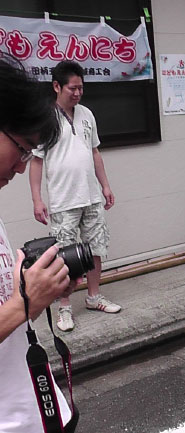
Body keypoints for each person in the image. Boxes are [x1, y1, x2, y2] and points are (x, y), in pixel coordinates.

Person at [0, 54, 77, 432]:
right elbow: (15, 308)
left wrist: (33, 288)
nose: (21, 166)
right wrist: (24, 303)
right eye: (23, 148)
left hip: (29, 407)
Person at [29, 60, 120, 332]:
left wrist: (105, 185)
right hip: (63, 199)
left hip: (90, 195)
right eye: (72, 88)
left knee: (95, 249)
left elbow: (95, 153)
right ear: (57, 86)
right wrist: (37, 199)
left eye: (81, 88)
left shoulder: (87, 114)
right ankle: (65, 307)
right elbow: (36, 161)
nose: (78, 93)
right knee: (65, 257)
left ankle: (93, 297)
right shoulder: (45, 118)